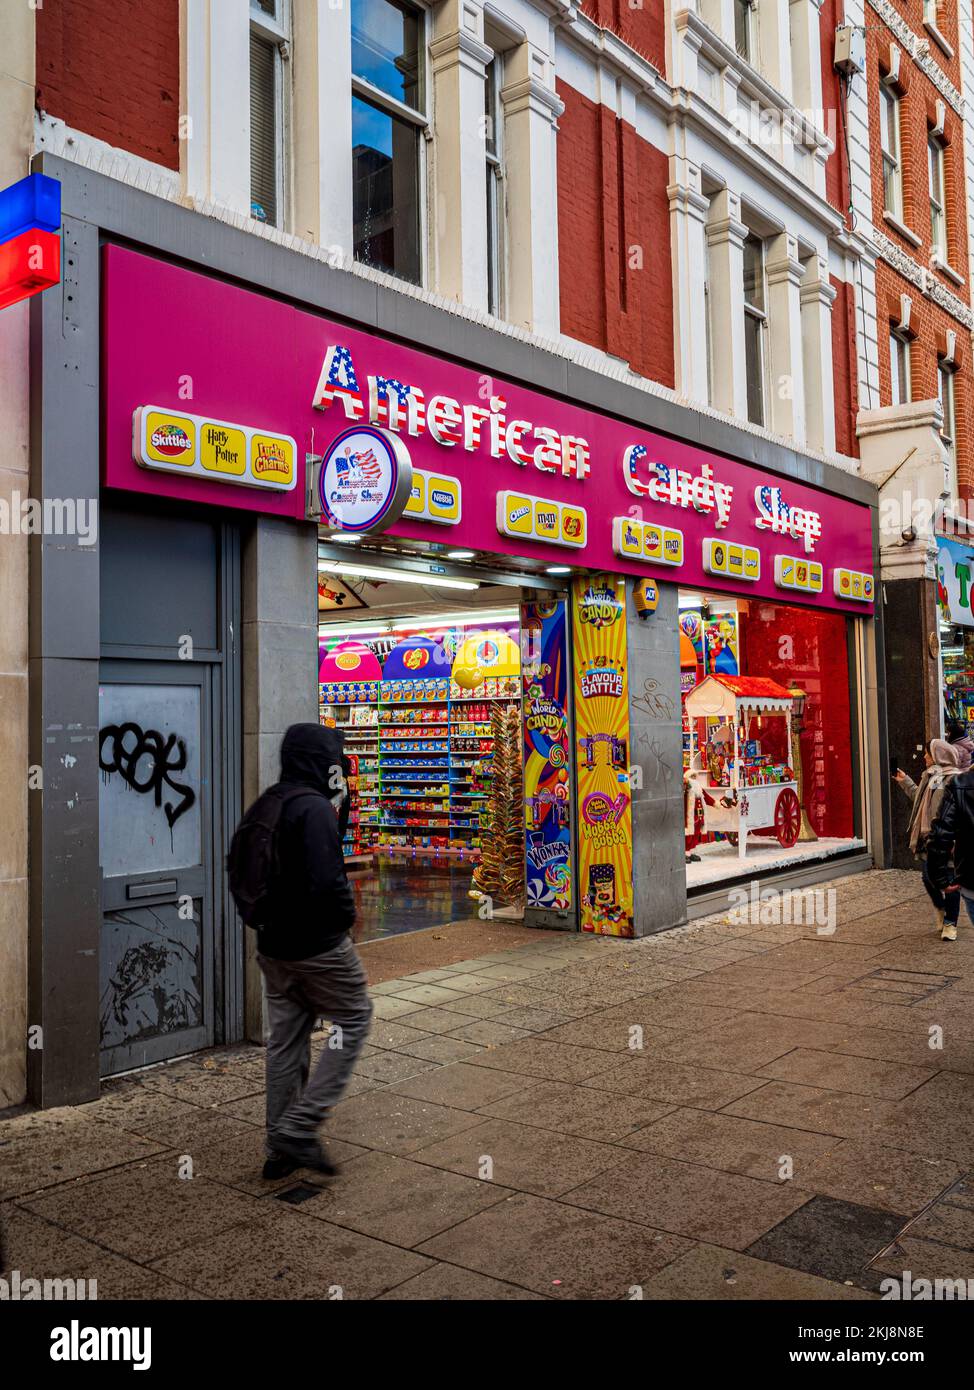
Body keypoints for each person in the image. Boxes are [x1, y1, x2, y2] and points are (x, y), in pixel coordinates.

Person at [255, 722, 372, 1178]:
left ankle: (278, 1149)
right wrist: (345, 921)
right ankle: (301, 1127)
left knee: (285, 1042)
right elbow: (330, 880)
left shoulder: (268, 803)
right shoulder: (314, 808)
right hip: (317, 944)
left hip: (273, 945)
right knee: (356, 1016)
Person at [894, 739, 963, 941]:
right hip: (928, 838)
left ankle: (951, 924)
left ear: (938, 755)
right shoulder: (930, 776)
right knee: (928, 877)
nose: (924, 757)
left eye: (927, 753)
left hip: (948, 840)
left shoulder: (955, 779)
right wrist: (905, 781)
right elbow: (919, 799)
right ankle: (941, 909)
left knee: (949, 880)